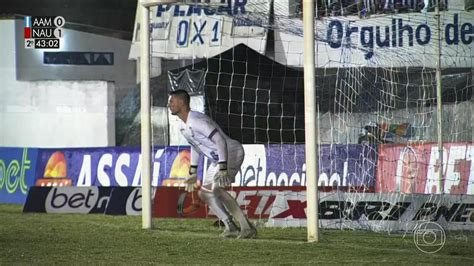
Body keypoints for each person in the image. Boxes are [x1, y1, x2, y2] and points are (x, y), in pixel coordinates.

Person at [168, 89, 257, 239]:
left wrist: (223, 167)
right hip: (218, 159)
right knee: (204, 193)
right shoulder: (183, 126)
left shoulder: (196, 121)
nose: (169, 104)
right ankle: (231, 227)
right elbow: (196, 146)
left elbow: (219, 140)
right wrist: (193, 171)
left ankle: (247, 228)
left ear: (182, 103)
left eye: (172, 101)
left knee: (215, 190)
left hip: (230, 152)